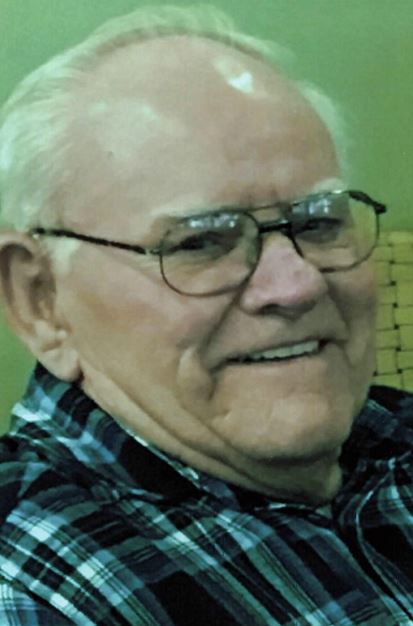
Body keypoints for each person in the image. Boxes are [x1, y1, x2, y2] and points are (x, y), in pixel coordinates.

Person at [0, 5, 411, 625]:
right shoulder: (36, 583)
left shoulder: (388, 433)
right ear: (40, 300)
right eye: (200, 242)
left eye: (318, 222)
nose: (296, 285)